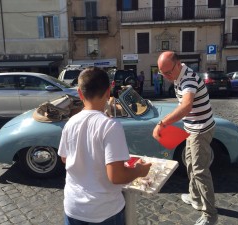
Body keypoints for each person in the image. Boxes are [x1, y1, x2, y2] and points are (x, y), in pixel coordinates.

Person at [58, 67, 152, 225]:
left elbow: (64, 158)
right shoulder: (111, 126)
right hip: (104, 211)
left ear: (80, 94)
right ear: (108, 93)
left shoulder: (71, 122)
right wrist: (139, 171)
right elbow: (116, 176)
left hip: (73, 208)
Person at [152, 51, 217, 225]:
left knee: (200, 171)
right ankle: (195, 197)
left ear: (178, 64)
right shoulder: (178, 74)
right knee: (189, 161)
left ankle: (210, 215)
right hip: (192, 127)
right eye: (162, 73)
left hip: (200, 129)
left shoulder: (187, 78)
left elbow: (187, 105)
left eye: (168, 72)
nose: (166, 76)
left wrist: (162, 123)